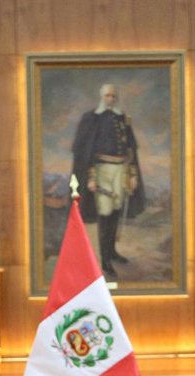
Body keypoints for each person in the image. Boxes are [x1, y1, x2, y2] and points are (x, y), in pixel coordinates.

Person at [70, 82, 146, 280]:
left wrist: (132, 174)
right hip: (101, 171)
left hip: (120, 171)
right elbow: (85, 151)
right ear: (101, 97)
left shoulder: (122, 119)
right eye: (107, 96)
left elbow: (130, 149)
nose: (110, 99)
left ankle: (112, 252)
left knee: (116, 211)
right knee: (105, 213)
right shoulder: (91, 118)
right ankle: (104, 260)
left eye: (113, 96)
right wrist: (91, 177)